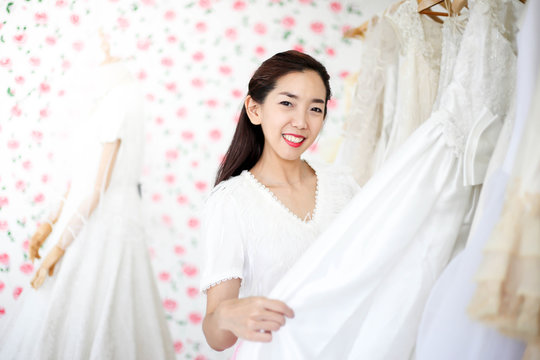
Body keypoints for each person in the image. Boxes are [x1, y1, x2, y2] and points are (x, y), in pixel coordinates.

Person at [0, 33, 175, 360]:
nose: (103, 48)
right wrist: (50, 222)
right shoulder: (110, 98)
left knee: (101, 305)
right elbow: (81, 177)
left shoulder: (123, 101)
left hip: (102, 221)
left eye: (108, 45)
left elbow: (98, 189)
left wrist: (58, 248)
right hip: (87, 215)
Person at [199, 50, 359, 353]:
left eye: (315, 109)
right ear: (254, 109)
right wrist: (225, 315)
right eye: (287, 103)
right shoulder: (231, 202)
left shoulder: (345, 186)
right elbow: (217, 338)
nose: (301, 122)